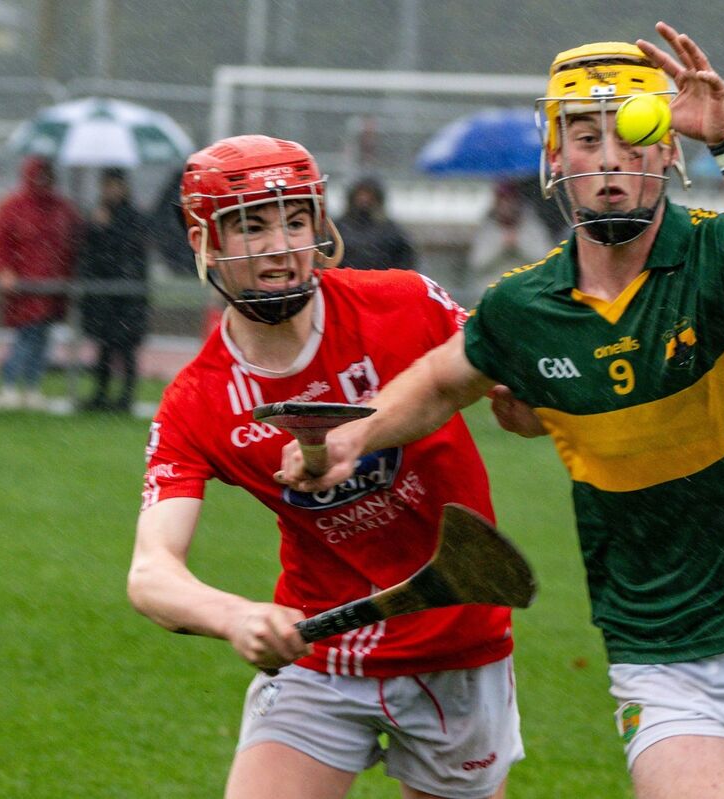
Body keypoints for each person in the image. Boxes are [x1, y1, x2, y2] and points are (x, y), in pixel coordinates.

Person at [281, 24, 724, 799]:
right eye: (585, 138)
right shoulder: (525, 305)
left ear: (666, 153)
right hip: (656, 643)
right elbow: (436, 381)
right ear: (555, 160)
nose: (610, 161)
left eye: (633, 135)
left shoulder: (718, 254)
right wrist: (353, 434)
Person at [126, 135, 522, 799]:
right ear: (205, 243)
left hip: (456, 642)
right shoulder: (198, 399)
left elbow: (516, 391)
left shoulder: (405, 304)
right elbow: (150, 571)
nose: (280, 245)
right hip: (319, 652)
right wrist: (233, 616)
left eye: (295, 219)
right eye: (250, 225)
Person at [0, 156, 81, 411]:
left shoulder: (62, 209)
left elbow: (73, 244)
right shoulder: (13, 207)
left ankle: (30, 387)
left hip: (52, 289)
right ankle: (9, 385)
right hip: (23, 289)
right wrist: (3, 271)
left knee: (41, 339)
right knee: (26, 337)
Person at [80, 168, 150, 413]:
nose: (111, 191)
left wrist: (108, 229)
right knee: (104, 348)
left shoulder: (133, 217)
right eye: (107, 186)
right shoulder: (96, 217)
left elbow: (130, 252)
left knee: (126, 349)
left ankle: (125, 397)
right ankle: (100, 394)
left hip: (127, 297)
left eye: (115, 185)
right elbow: (91, 255)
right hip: (104, 297)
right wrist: (97, 228)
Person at [465, 181, 553, 302]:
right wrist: (502, 246)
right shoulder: (487, 228)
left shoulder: (531, 227)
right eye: (503, 201)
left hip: (525, 293)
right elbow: (478, 262)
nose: (506, 206)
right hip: (492, 294)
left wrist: (519, 245)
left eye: (510, 201)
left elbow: (544, 259)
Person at [335, 176, 417, 271]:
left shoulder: (391, 231)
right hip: (345, 282)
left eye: (369, 195)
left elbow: (405, 261)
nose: (364, 199)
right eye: (360, 195)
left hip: (380, 283)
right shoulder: (337, 229)